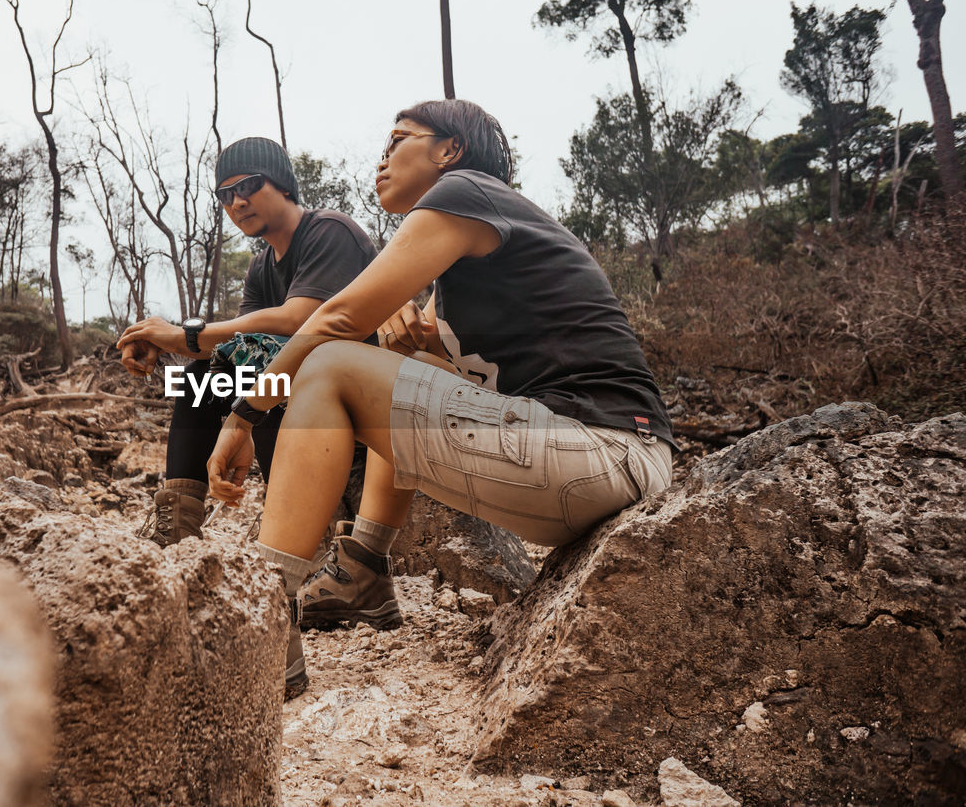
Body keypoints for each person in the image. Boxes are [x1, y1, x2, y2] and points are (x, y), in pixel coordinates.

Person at [205, 100, 677, 699]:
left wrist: (244, 415)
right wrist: (420, 339)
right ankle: (363, 571)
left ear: (448, 151)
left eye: (397, 140)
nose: (380, 162)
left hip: (600, 450)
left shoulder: (465, 192)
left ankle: (266, 619)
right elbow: (423, 365)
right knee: (402, 364)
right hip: (611, 462)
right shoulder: (473, 247)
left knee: (328, 366)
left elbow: (339, 318)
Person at [116, 136, 376, 547]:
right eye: (225, 193)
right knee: (201, 378)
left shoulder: (328, 232)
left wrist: (180, 332)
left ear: (284, 185)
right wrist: (166, 343)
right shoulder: (260, 268)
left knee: (276, 377)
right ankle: (177, 529)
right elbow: (236, 349)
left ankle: (298, 528)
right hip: (292, 393)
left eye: (248, 185)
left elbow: (298, 319)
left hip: (356, 402)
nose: (236, 202)